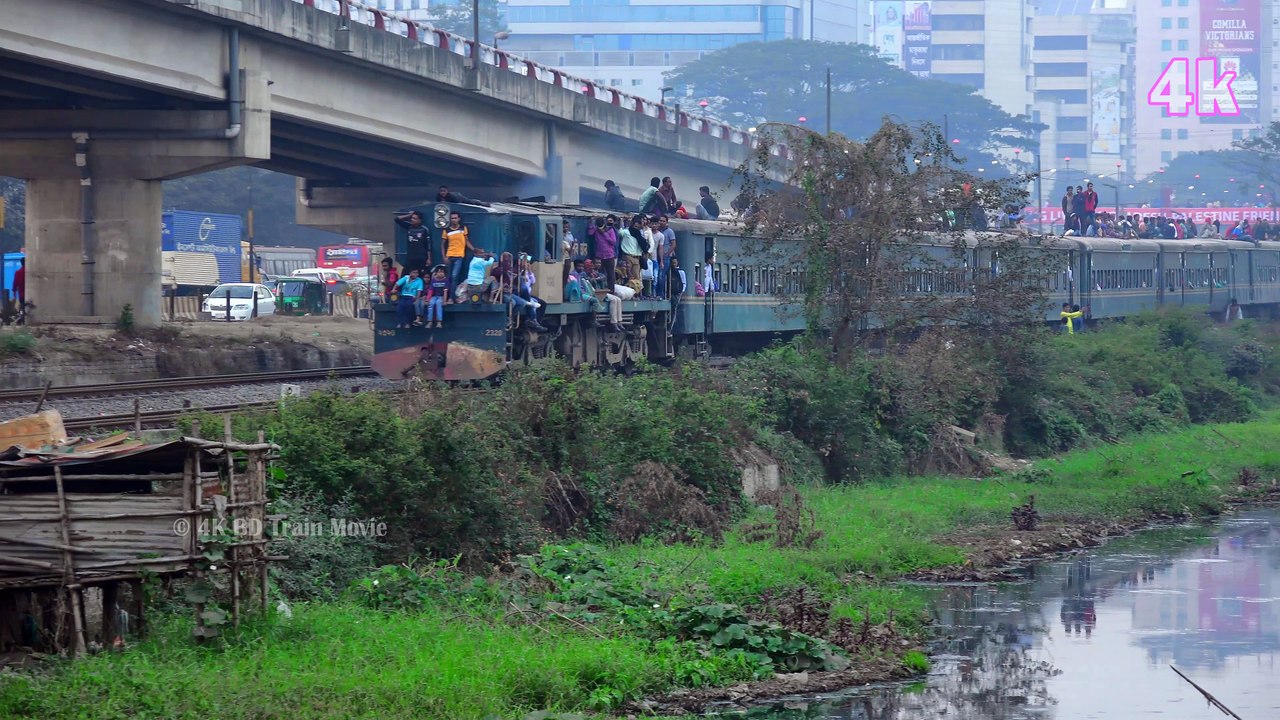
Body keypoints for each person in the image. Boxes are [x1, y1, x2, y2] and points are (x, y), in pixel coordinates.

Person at [442, 211, 475, 295]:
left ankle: (452, 297)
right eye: (452, 218)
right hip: (449, 256)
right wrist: (444, 257)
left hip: (459, 256)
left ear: (459, 219)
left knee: (454, 276)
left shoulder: (463, 228)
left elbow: (466, 242)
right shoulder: (446, 230)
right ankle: (446, 296)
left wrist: (474, 250)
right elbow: (442, 245)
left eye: (455, 218)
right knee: (448, 277)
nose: (454, 220)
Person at [588, 214, 619, 289]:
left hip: (609, 255)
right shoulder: (596, 229)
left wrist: (604, 233)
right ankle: (601, 289)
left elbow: (613, 241)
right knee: (600, 274)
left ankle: (611, 290)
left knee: (610, 274)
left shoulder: (610, 230)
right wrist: (592, 222)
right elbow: (590, 233)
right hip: (599, 255)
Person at [618, 215, 647, 296]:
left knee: (636, 278)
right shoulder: (626, 232)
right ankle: (628, 295)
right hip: (628, 256)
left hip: (637, 258)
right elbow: (620, 233)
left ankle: (635, 295)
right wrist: (621, 223)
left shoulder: (639, 235)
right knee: (628, 276)